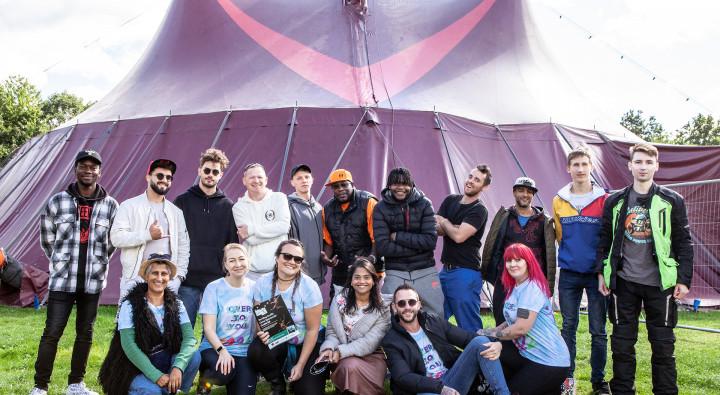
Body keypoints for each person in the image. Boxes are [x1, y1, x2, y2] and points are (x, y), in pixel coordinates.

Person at [596, 143, 693, 395]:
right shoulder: (615, 200)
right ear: (630, 165)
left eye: (649, 162)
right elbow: (604, 239)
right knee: (622, 345)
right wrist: (601, 273)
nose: (643, 167)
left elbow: (683, 241)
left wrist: (683, 279)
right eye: (638, 162)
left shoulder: (672, 200)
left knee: (663, 346)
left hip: (660, 285)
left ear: (656, 166)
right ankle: (623, 390)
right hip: (623, 282)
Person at [30, 149, 118, 395]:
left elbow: (111, 242)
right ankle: (40, 387)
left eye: (93, 167)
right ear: (76, 169)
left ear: (99, 172)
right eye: (84, 166)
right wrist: (60, 261)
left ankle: (76, 384)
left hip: (92, 281)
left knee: (85, 334)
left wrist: (97, 261)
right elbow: (47, 239)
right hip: (62, 281)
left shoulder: (110, 206)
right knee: (52, 333)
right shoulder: (58, 201)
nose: (88, 170)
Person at [98, 254, 200, 395]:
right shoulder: (130, 304)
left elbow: (189, 339)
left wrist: (178, 367)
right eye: (154, 273)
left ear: (169, 278)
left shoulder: (177, 305)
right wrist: (155, 375)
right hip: (134, 367)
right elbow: (129, 345)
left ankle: (171, 389)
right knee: (152, 391)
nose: (159, 278)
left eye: (164, 274)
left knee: (194, 357)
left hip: (164, 359)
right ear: (146, 276)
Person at [552, 147, 610, 394]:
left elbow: (607, 238)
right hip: (569, 274)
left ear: (591, 167)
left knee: (598, 330)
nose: (580, 169)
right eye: (575, 165)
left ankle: (598, 382)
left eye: (584, 164)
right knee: (568, 328)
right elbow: (559, 236)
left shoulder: (604, 199)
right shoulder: (558, 200)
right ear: (568, 168)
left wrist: (602, 271)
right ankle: (568, 382)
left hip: (596, 275)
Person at [382, 284, 510, 395]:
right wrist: (440, 389)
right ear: (394, 307)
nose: (407, 307)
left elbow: (466, 338)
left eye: (412, 302)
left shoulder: (432, 321)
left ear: (419, 304)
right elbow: (403, 377)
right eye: (401, 303)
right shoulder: (391, 339)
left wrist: (496, 343)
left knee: (481, 342)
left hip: (452, 377)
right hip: (425, 389)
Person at [478, 243, 570, 395]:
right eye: (509, 260)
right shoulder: (516, 287)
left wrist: (496, 336)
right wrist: (490, 331)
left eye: (518, 260)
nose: (513, 264)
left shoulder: (532, 288)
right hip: (530, 356)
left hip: (550, 361)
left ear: (528, 262)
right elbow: (513, 319)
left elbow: (521, 328)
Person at [248, 239, 325, 395]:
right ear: (277, 257)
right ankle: (277, 383)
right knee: (257, 349)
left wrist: (301, 365)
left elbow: (312, 330)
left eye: (298, 259)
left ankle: (297, 375)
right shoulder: (262, 283)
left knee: (309, 392)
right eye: (287, 256)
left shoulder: (309, 286)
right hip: (278, 340)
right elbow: (258, 324)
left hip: (306, 343)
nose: (292, 261)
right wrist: (261, 333)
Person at [173, 148, 239, 328]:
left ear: (221, 175)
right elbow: (173, 239)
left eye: (215, 172)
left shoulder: (228, 206)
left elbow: (232, 243)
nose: (210, 175)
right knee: (182, 332)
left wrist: (227, 273)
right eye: (207, 170)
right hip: (187, 278)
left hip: (216, 279)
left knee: (213, 334)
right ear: (199, 171)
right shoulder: (182, 202)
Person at [110, 158, 190, 300]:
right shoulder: (129, 206)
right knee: (130, 321)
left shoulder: (176, 212)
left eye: (168, 177)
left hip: (166, 280)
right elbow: (116, 238)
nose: (164, 180)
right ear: (148, 177)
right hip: (135, 278)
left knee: (163, 322)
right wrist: (148, 234)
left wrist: (178, 277)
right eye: (159, 176)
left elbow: (184, 245)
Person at [482, 176, 556, 326]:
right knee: (501, 316)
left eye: (529, 192)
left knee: (526, 320)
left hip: (532, 283)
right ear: (514, 192)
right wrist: (490, 271)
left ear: (533, 195)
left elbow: (549, 253)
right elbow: (492, 244)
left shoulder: (544, 221)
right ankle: (503, 348)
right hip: (505, 278)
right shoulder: (504, 216)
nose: (525, 194)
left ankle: (523, 348)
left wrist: (547, 283)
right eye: (521, 190)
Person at [317, 257, 391, 395]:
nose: (361, 281)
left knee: (349, 366)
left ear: (374, 281)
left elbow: (370, 342)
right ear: (351, 281)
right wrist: (328, 348)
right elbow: (333, 333)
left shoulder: (383, 307)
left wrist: (340, 351)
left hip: (372, 356)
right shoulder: (339, 300)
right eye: (357, 277)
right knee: (348, 365)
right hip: (342, 356)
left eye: (366, 277)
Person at [374, 167, 442, 316]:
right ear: (389, 186)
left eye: (405, 184)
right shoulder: (380, 208)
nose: (400, 188)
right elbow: (383, 247)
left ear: (411, 185)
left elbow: (430, 241)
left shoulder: (425, 204)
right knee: (388, 314)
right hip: (395, 271)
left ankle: (433, 340)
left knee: (436, 314)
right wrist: (418, 246)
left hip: (425, 270)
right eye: (395, 184)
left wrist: (398, 236)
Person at [436, 164, 492, 332]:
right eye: (470, 177)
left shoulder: (479, 210)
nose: (470, 181)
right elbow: (436, 230)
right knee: (434, 318)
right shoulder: (450, 200)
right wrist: (452, 228)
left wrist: (445, 222)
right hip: (445, 270)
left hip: (466, 272)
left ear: (484, 186)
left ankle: (479, 355)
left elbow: (459, 237)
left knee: (468, 326)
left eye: (477, 180)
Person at [196, 243, 257, 395]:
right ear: (225, 264)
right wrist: (222, 351)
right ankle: (206, 381)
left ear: (248, 261)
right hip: (215, 348)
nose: (238, 264)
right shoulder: (214, 288)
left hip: (244, 351)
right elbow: (208, 329)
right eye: (232, 260)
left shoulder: (257, 288)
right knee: (224, 374)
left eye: (241, 259)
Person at [322, 168, 379, 297]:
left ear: (352, 185)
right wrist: (327, 258)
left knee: (367, 310)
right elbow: (329, 242)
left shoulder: (368, 202)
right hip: (341, 271)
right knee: (337, 309)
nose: (340, 189)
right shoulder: (327, 209)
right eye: (336, 186)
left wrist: (370, 259)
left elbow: (378, 237)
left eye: (344, 184)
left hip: (366, 268)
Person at [232, 163, 291, 280]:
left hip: (279, 270)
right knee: (255, 299)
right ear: (244, 181)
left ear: (266, 180)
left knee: (280, 299)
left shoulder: (279, 198)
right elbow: (251, 240)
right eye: (252, 177)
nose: (256, 180)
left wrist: (252, 229)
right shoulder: (238, 207)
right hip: (252, 274)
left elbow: (284, 227)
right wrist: (275, 231)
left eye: (259, 177)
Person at [287, 164, 324, 285]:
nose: (304, 180)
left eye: (307, 177)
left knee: (314, 304)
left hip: (317, 271)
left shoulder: (319, 208)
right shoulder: (288, 206)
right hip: (298, 272)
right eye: (299, 178)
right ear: (292, 182)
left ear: (312, 180)